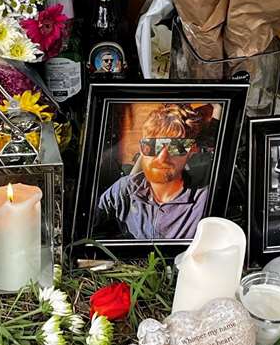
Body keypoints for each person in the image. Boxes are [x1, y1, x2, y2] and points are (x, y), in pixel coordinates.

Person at [92, 102, 216, 241]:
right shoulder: (124, 191)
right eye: (152, 146)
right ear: (141, 149)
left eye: (175, 147)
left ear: (191, 151)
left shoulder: (205, 204)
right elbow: (88, 230)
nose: (162, 157)